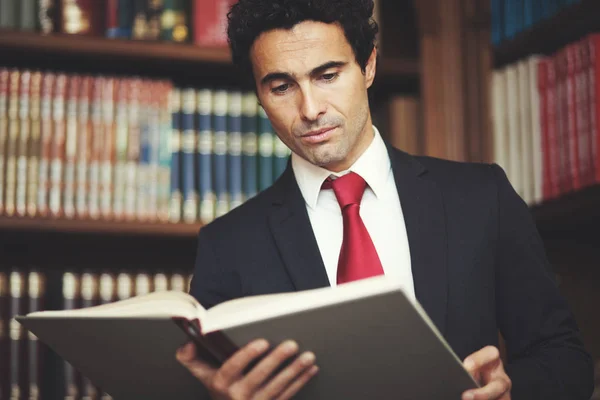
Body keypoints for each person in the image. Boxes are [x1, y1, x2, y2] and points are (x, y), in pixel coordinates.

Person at [175, 0, 595, 399]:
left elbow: (565, 362)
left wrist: (508, 391)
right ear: (259, 96)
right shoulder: (227, 245)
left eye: (327, 75)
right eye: (282, 86)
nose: (310, 108)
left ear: (369, 64)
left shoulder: (482, 198)